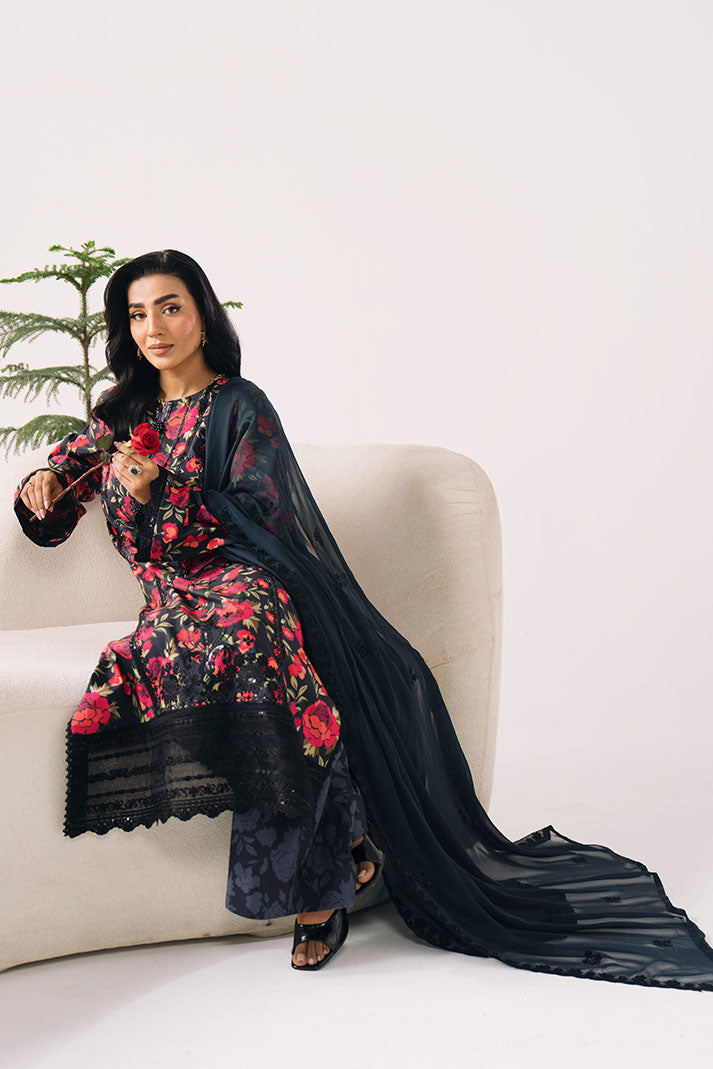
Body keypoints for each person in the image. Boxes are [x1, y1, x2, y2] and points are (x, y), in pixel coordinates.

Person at [14, 249, 713, 988]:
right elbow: (63, 495)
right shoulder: (120, 412)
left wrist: (163, 492)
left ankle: (318, 892)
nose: (153, 328)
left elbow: (260, 516)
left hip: (244, 580)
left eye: (169, 308)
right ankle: (346, 847)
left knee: (254, 640)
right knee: (221, 658)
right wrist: (46, 480)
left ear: (203, 317)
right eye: (137, 314)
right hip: (172, 593)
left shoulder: (241, 405)